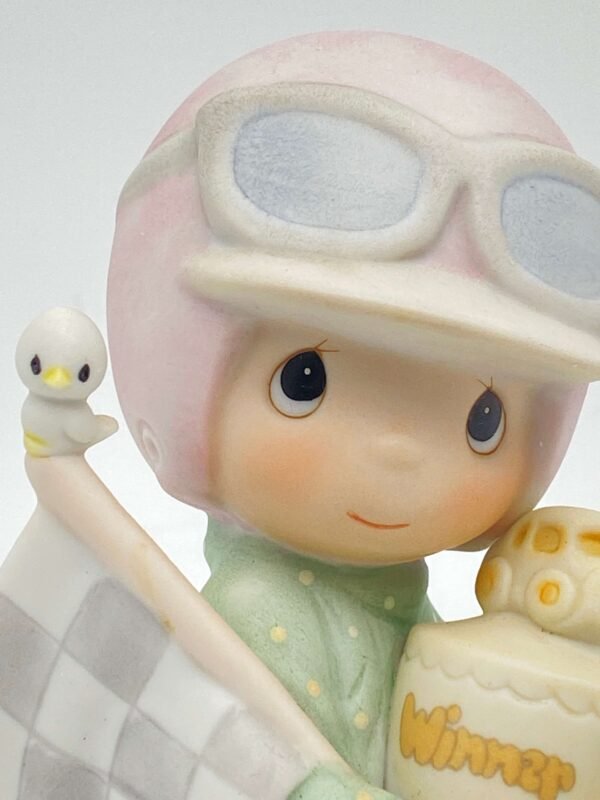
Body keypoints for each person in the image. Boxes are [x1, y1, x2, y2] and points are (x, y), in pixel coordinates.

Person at [107, 31, 599, 796]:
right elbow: (248, 765)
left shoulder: (401, 599)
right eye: (304, 381)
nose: (400, 449)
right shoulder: (255, 611)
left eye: (482, 421)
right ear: (183, 382)